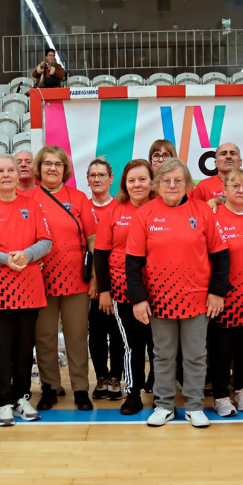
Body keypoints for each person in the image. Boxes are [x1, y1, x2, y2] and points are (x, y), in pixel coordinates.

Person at [126, 158, 231, 427]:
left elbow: (220, 256)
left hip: (197, 300)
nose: (172, 185)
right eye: (166, 181)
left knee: (196, 355)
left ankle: (195, 405)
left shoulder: (203, 212)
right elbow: (133, 262)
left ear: (187, 184)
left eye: (178, 180)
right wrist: (138, 299)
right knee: (162, 354)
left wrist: (217, 292)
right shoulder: (145, 214)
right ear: (157, 184)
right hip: (159, 300)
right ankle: (164, 404)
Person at [0, 154, 51, 426]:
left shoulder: (33, 206)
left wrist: (25, 255)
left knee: (24, 349)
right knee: (0, 350)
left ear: (18, 175)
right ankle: (3, 402)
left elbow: (46, 242)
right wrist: (5, 259)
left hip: (29, 290)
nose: (6, 174)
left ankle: (20, 398)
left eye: (10, 170)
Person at [27, 146, 98, 411]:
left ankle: (80, 388)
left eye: (58, 164)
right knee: (44, 335)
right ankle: (49, 387)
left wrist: (95, 277)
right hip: (39, 281)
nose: (52, 168)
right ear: (39, 167)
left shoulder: (78, 198)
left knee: (77, 335)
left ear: (65, 168)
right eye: (47, 163)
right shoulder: (28, 199)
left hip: (75, 279)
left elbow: (93, 239)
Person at [95, 159, 156, 415]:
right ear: (124, 184)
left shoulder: (162, 208)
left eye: (142, 179)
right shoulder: (114, 211)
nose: (137, 184)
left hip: (160, 290)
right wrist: (106, 291)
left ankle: (161, 390)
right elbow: (100, 253)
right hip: (123, 290)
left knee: (158, 346)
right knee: (132, 345)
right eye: (131, 180)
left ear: (152, 182)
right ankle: (132, 393)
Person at [208, 169, 243, 416]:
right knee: (221, 350)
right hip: (224, 297)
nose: (240, 190)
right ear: (224, 190)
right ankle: (220, 395)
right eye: (235, 186)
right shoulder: (213, 214)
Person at [85, 158, 125, 401]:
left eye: (102, 175)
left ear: (111, 178)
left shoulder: (120, 208)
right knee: (97, 331)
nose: (97, 179)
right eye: (93, 175)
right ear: (87, 179)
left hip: (117, 281)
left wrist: (106, 281)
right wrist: (95, 279)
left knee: (118, 332)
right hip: (89, 282)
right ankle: (101, 376)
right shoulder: (82, 207)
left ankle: (116, 378)